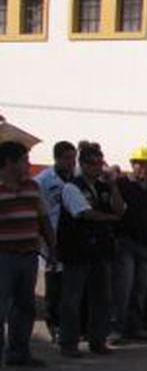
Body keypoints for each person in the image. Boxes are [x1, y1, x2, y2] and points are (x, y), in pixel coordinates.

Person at [58, 144, 124, 358]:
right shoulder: (72, 187)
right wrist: (111, 219)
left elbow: (119, 209)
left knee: (101, 298)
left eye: (100, 163)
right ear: (83, 164)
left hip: (100, 250)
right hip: (77, 249)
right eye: (93, 164)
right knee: (73, 298)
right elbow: (85, 213)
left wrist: (113, 186)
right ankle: (69, 342)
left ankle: (98, 340)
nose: (97, 168)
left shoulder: (103, 187)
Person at [0, 141, 56, 371]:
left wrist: (52, 247)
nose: (29, 164)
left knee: (25, 306)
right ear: (9, 163)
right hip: (4, 256)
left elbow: (43, 218)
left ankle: (19, 352)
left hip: (28, 255)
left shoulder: (32, 186)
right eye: (24, 160)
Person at [112, 146, 147, 343]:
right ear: (132, 164)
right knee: (122, 288)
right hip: (125, 241)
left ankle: (135, 326)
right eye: (140, 164)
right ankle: (116, 328)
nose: (144, 168)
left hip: (146, 242)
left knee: (140, 288)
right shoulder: (122, 183)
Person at [33, 141, 77, 343]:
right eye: (67, 158)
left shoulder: (76, 178)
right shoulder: (42, 181)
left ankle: (70, 324)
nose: (71, 162)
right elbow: (39, 213)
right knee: (55, 284)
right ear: (57, 158)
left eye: (73, 158)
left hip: (73, 237)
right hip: (51, 235)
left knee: (70, 284)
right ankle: (54, 323)